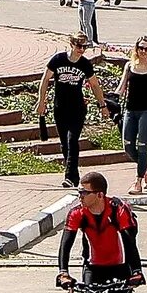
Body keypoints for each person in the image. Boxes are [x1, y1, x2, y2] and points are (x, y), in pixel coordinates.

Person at [36, 35, 101, 188]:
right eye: (79, 46)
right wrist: (41, 101)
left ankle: (69, 176)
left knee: (72, 140)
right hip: (60, 107)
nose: (82, 50)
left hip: (78, 108)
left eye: (85, 47)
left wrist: (102, 104)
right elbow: (45, 79)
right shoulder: (58, 60)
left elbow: (94, 84)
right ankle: (74, 175)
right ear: (71, 44)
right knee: (65, 143)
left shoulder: (85, 64)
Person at [119, 36, 147, 193]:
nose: (143, 51)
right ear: (136, 49)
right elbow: (122, 87)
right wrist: (110, 99)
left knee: (142, 146)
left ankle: (138, 182)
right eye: (141, 48)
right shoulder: (129, 66)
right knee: (128, 146)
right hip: (130, 110)